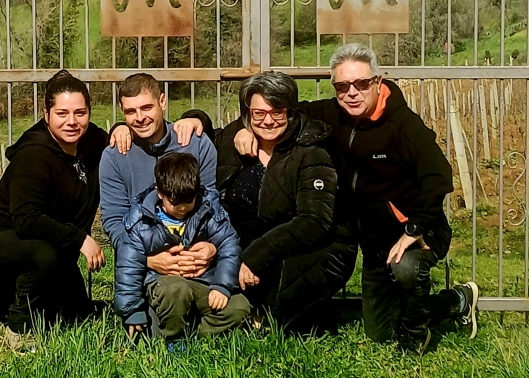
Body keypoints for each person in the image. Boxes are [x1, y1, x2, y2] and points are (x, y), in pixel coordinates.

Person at [179, 44, 479, 354]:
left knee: (407, 269)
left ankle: (421, 333)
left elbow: (438, 175)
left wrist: (414, 228)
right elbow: (273, 110)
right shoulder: (330, 114)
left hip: (408, 229)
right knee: (379, 332)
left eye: (361, 83)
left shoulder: (404, 125)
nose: (352, 92)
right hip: (370, 237)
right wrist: (222, 123)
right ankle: (454, 301)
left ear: (378, 82)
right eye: (342, 86)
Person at [0, 70, 109, 351]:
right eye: (62, 113)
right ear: (47, 114)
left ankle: (0, 296)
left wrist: (120, 129)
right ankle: (19, 328)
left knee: (77, 313)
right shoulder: (34, 155)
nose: (72, 121)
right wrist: (81, 239)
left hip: (50, 245)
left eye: (80, 112)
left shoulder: (92, 141)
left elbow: (130, 134)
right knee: (45, 256)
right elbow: (27, 221)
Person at [216, 71, 356, 333]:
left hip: (310, 246)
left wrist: (254, 258)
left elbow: (314, 221)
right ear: (248, 115)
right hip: (251, 242)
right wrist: (194, 118)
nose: (268, 121)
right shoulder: (232, 141)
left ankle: (290, 315)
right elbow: (195, 136)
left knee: (285, 316)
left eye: (277, 112)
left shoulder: (312, 150)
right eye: (259, 113)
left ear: (291, 111)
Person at [116, 152, 250, 345]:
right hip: (163, 285)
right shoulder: (141, 220)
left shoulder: (209, 210)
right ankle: (174, 338)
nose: (182, 208)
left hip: (202, 281)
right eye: (175, 202)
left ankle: (201, 336)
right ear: (160, 192)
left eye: (189, 201)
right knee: (177, 289)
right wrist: (132, 311)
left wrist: (221, 286)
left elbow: (229, 245)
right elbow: (128, 265)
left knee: (239, 307)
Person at [100, 73, 220, 281]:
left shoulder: (196, 144)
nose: (139, 117)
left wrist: (212, 245)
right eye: (131, 111)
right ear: (122, 112)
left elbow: (213, 204)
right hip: (141, 266)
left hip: (197, 261)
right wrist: (146, 258)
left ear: (162, 102)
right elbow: (114, 220)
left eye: (147, 107)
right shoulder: (115, 155)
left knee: (234, 309)